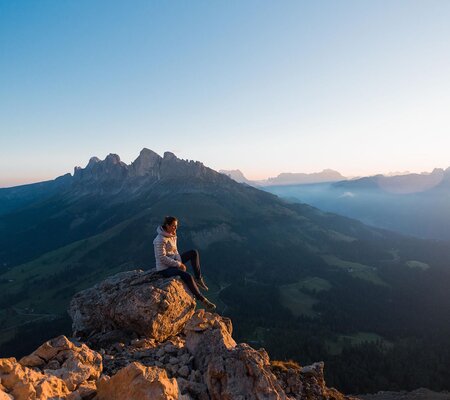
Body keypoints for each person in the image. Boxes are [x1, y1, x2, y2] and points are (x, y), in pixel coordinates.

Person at [153, 216, 216, 311]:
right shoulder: (160, 239)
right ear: (167, 225)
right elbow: (162, 258)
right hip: (164, 269)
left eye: (176, 226)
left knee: (193, 253)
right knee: (187, 276)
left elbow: (175, 251)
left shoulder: (172, 235)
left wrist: (179, 262)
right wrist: (178, 265)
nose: (175, 228)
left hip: (173, 263)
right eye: (174, 226)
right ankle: (203, 300)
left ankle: (198, 279)